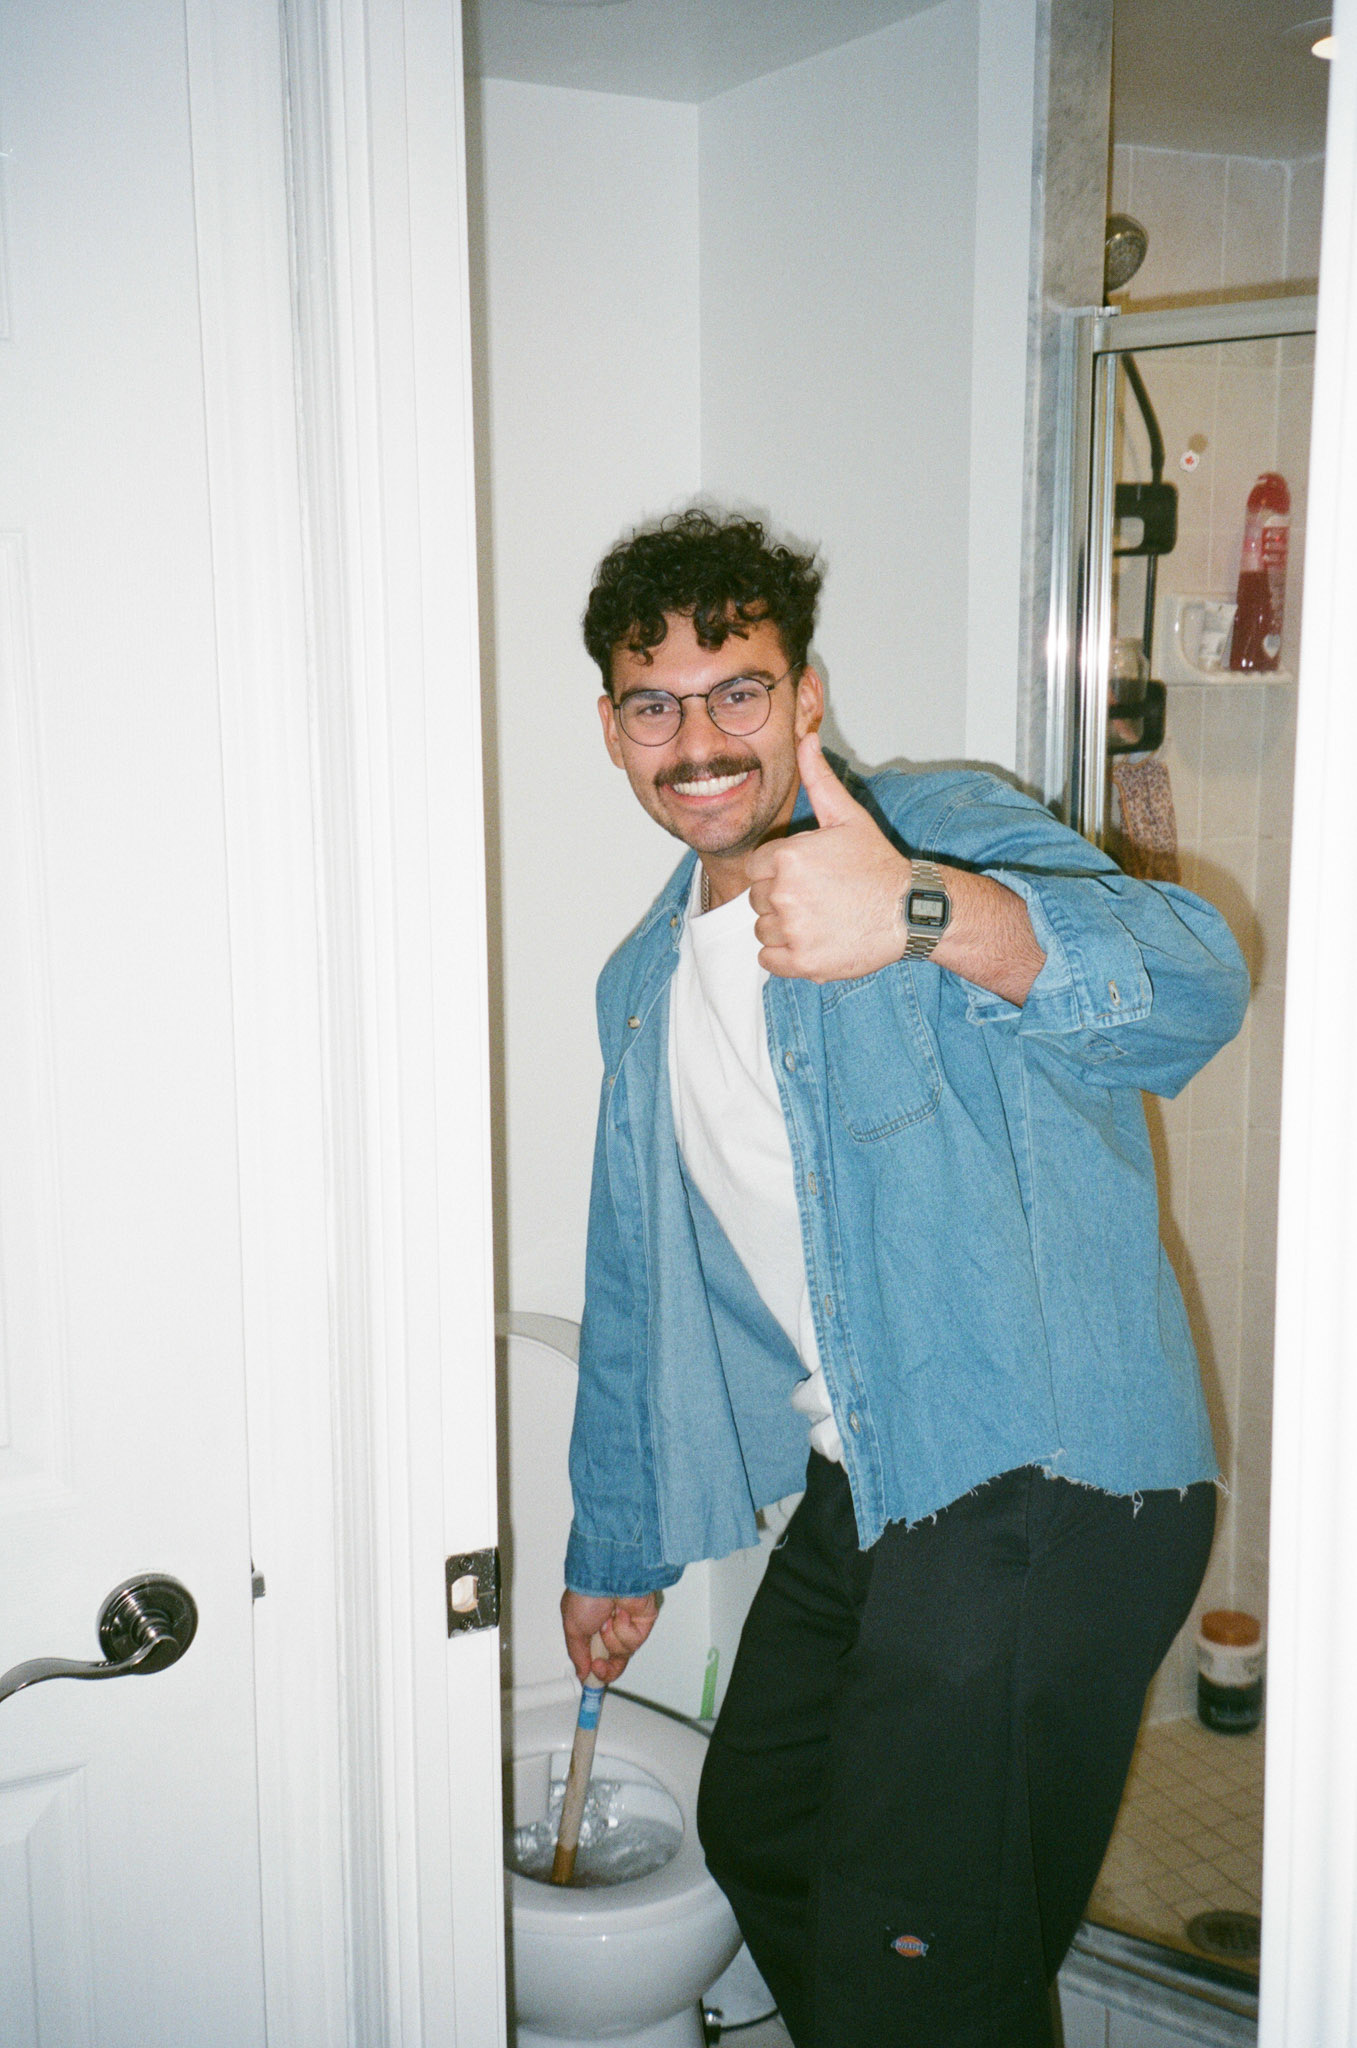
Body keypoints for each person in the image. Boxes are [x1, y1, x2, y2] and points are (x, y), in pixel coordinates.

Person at [557, 508, 1247, 2048]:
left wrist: (921, 913)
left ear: (805, 697)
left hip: (1045, 1476)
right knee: (766, 1821)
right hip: (871, 1477)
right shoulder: (642, 984)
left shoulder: (936, 829)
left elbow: (1196, 984)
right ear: (610, 729)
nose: (698, 740)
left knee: (918, 1950)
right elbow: (637, 1286)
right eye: (654, 704)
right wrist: (616, 1545)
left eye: (737, 691)